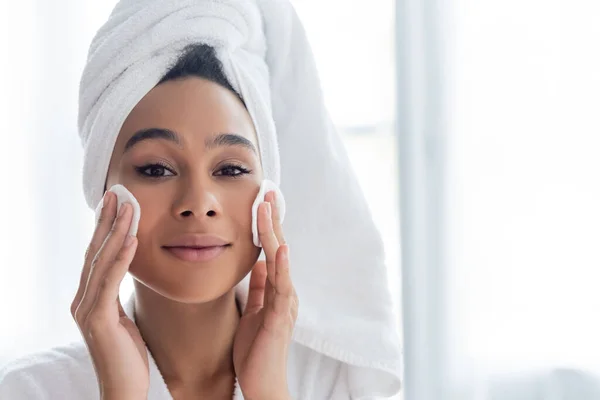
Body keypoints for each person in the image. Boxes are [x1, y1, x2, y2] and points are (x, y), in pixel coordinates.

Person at [0, 1, 403, 399]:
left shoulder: (336, 386)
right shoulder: (28, 390)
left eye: (230, 169)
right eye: (156, 169)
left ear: (269, 196)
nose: (198, 202)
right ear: (101, 191)